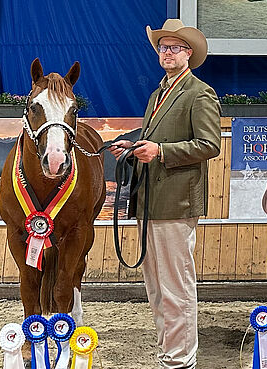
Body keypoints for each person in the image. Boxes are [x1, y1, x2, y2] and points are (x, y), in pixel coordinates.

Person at [108, 19, 221, 369]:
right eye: (163, 47)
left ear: (188, 53)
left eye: (174, 47)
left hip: (176, 201)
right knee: (157, 288)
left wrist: (160, 152)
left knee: (175, 285)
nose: (167, 52)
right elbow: (158, 138)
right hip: (152, 202)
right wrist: (135, 145)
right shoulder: (159, 93)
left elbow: (209, 144)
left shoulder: (199, 93)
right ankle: (170, 354)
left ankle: (181, 358)